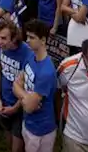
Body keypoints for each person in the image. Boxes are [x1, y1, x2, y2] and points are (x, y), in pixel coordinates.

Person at [14, 19, 58, 152]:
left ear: (43, 40)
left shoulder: (46, 72)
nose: (27, 40)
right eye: (27, 36)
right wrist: (25, 97)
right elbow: (15, 84)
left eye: (32, 37)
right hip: (28, 123)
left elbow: (29, 107)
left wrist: (22, 95)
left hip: (41, 130)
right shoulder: (30, 56)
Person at [0, 19, 33, 152]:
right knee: (8, 139)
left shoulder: (27, 54)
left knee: (17, 148)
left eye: (4, 38)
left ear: (14, 37)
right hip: (4, 102)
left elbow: (29, 87)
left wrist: (15, 108)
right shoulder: (0, 48)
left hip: (20, 107)